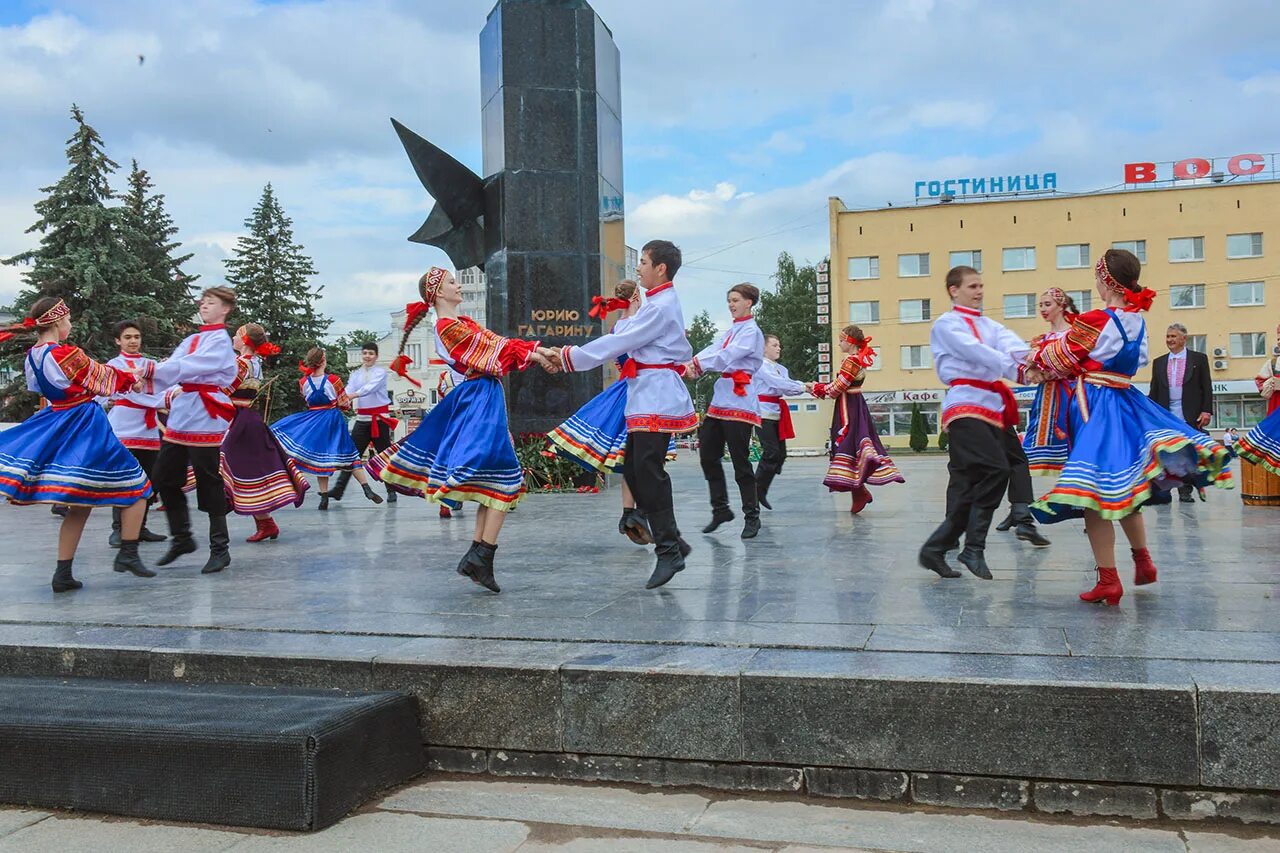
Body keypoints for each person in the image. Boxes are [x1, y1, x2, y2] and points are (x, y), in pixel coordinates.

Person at [1026, 249, 1232, 605]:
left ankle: (1108, 580)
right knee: (1123, 487)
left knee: (1093, 491)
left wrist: (1033, 356)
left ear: (1106, 281)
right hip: (1124, 399)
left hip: (1095, 405)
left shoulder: (1095, 319)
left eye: (1097, 277)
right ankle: (1143, 560)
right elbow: (1134, 360)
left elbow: (1057, 358)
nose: (1095, 283)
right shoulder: (1135, 320)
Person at [369, 266, 559, 593]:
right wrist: (539, 356)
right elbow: (492, 354)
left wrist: (539, 353)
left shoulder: (461, 324)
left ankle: (478, 554)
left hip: (484, 396)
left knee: (494, 480)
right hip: (478, 398)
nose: (459, 286)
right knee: (505, 478)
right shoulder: (447, 328)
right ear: (438, 293)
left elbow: (500, 343)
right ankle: (480, 556)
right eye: (452, 283)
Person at [554, 240, 697, 589]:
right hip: (645, 393)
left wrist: (571, 357)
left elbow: (619, 341)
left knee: (647, 471)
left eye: (644, 262)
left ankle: (668, 549)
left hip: (656, 396)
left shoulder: (659, 307)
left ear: (660, 268)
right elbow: (625, 336)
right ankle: (672, 539)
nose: (639, 268)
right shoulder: (655, 304)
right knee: (634, 468)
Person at [0, 297, 156, 590]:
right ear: (58, 322)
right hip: (84, 423)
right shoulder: (64, 353)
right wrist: (131, 377)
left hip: (58, 420)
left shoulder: (33, 356)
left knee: (79, 503)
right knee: (138, 488)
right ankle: (128, 552)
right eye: (68, 320)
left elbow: (41, 388)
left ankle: (63, 573)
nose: (70, 325)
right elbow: (103, 378)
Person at [917, 266, 1032, 581]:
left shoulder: (990, 324)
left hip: (992, 407)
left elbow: (1015, 347)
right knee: (997, 469)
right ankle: (973, 547)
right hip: (965, 403)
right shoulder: (946, 324)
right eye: (972, 286)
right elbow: (976, 352)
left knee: (972, 482)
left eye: (981, 285)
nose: (979, 291)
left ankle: (936, 548)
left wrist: (1038, 360)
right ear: (954, 290)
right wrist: (1018, 370)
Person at [547, 279, 654, 544]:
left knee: (630, 457)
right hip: (641, 393)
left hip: (621, 391)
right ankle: (639, 513)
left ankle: (629, 512)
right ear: (637, 297)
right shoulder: (639, 325)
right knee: (645, 457)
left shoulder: (618, 326)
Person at [144, 287, 240, 575]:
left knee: (208, 479)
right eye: (203, 302)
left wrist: (151, 371)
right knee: (163, 477)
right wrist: (148, 382)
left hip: (205, 416)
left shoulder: (221, 341)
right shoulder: (193, 338)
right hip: (183, 413)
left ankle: (219, 549)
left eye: (211, 303)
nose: (205, 306)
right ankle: (182, 537)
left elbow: (189, 366)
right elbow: (175, 368)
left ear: (225, 309)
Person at [993, 289, 1075, 546]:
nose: (1042, 308)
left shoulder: (1073, 334)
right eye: (1040, 304)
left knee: (1076, 453)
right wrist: (1032, 368)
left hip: (1069, 400)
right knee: (1022, 456)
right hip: (1046, 401)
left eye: (1047, 304)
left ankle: (1091, 511)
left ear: (1061, 305)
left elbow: (1073, 364)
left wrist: (1045, 369)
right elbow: (1033, 365)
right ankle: (1018, 510)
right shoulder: (1043, 339)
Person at [687, 283, 765, 539]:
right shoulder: (733, 330)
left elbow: (728, 355)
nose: (731, 304)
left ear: (749, 303)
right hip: (721, 399)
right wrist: (692, 363)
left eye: (735, 300)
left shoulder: (751, 332)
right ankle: (720, 508)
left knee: (741, 461)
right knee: (708, 454)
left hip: (740, 401)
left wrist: (697, 364)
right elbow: (716, 349)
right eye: (729, 301)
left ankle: (751, 515)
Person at [220, 324, 308, 541]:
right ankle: (265, 523)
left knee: (226, 463)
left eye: (237, 334)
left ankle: (225, 503)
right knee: (250, 469)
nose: (233, 337)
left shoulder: (241, 364)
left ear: (245, 341)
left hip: (238, 419)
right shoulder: (255, 363)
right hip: (248, 419)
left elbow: (223, 390)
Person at [806, 325, 904, 513]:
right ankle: (859, 493)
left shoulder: (851, 361)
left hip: (849, 408)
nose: (839, 343)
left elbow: (836, 389)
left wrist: (816, 387)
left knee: (849, 443)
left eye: (841, 340)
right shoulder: (855, 360)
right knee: (851, 445)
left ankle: (859, 492)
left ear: (850, 341)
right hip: (853, 405)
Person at [272, 347, 383, 511]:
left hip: (314, 420)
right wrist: (343, 405)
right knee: (349, 454)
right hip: (332, 419)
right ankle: (366, 488)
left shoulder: (303, 382)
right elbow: (343, 401)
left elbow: (307, 401)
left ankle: (324, 498)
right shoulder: (333, 380)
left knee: (319, 458)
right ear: (323, 360)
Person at [103, 320, 167, 547]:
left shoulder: (150, 364)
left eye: (136, 337)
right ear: (118, 340)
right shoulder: (114, 364)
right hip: (124, 426)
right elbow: (126, 392)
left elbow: (165, 386)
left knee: (148, 479)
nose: (133, 341)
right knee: (123, 478)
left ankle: (140, 526)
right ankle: (118, 529)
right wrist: (162, 400)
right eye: (128, 337)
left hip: (148, 429)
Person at [1148, 322, 1213, 502]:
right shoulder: (1159, 362)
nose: (1169, 340)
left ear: (1184, 338)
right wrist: (1150, 414)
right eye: (1168, 337)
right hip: (1166, 415)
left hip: (1189, 414)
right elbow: (1154, 390)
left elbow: (1206, 387)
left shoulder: (1198, 359)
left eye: (1173, 336)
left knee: (1186, 453)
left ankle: (1185, 491)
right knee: (1166, 453)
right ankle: (1163, 492)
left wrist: (1206, 410)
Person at [328, 341, 398, 505]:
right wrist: (339, 397)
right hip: (362, 420)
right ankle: (338, 490)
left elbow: (370, 388)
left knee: (384, 457)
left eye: (371, 353)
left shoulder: (381, 373)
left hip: (379, 419)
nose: (367, 356)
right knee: (351, 455)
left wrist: (351, 396)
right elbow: (348, 389)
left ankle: (391, 490)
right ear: (362, 355)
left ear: (376, 356)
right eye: (365, 353)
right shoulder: (356, 374)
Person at [752, 334, 805, 510]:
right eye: (774, 345)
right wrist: (805, 386)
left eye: (779, 345)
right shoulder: (760, 366)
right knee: (771, 452)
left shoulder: (781, 369)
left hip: (777, 413)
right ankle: (755, 491)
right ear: (763, 348)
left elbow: (787, 386)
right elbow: (777, 383)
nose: (778, 348)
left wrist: (806, 387)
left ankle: (761, 489)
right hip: (763, 413)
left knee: (780, 454)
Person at [1255, 324, 1280, 418]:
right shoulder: (1273, 363)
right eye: (1278, 339)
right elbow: (1260, 382)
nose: (1279, 342)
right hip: (1277, 407)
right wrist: (1271, 383)